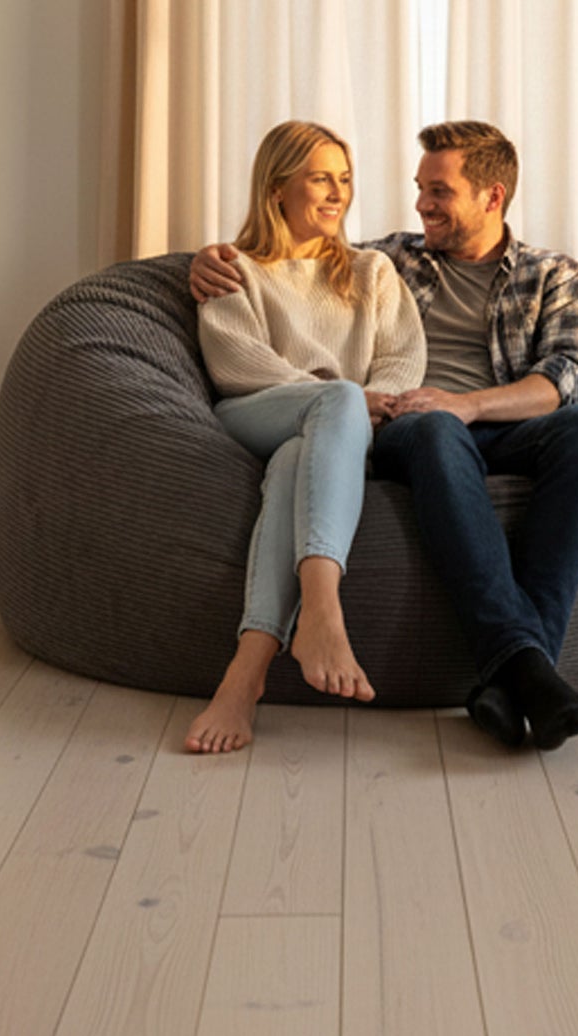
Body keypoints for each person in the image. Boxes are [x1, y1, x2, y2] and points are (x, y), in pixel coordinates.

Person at [193, 121, 578, 751]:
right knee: (432, 429)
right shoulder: (396, 257)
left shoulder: (555, 276)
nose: (421, 204)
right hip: (407, 430)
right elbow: (297, 255)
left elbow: (571, 376)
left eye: (439, 191)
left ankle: (518, 673)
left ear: (492, 197)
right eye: (420, 188)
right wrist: (203, 258)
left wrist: (467, 405)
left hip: (490, 423)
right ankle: (526, 668)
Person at [186, 120, 426, 754]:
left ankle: (245, 676)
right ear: (277, 185)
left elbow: (404, 356)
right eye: (321, 177)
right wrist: (341, 398)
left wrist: (366, 407)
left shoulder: (372, 271)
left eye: (344, 180)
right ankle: (322, 608)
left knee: (298, 463)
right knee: (334, 403)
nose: (337, 193)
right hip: (254, 414)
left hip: (333, 435)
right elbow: (237, 365)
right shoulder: (234, 268)